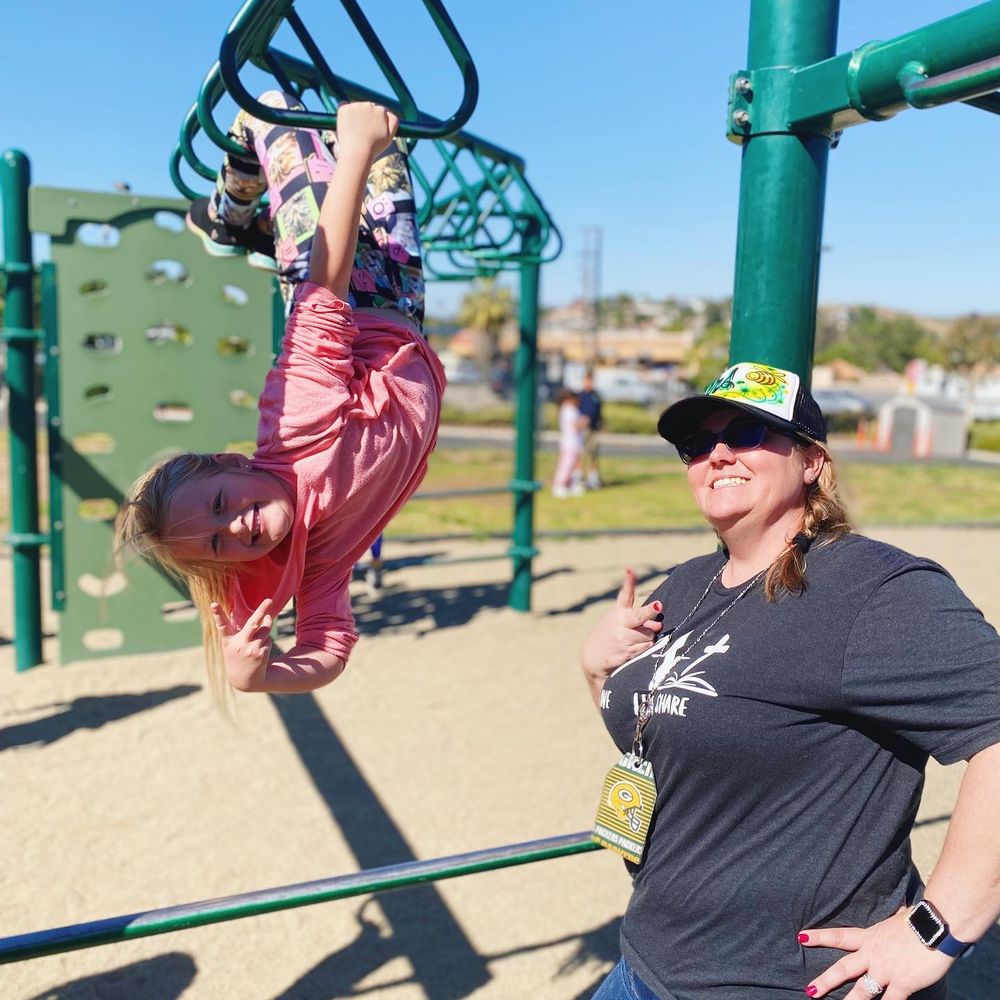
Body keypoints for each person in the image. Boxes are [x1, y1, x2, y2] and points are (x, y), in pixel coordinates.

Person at [581, 361, 1000, 1000]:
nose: (718, 454)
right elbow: (666, 739)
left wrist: (934, 931)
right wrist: (598, 670)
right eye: (698, 443)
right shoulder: (688, 583)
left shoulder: (873, 590)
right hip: (648, 964)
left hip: (787, 983)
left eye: (746, 433)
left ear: (812, 462)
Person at [116, 94, 445, 699]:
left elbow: (326, 285)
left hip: (343, 285)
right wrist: (264, 676)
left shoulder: (296, 426)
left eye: (219, 504)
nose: (235, 526)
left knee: (271, 109)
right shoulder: (316, 558)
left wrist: (352, 153)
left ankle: (230, 212)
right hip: (405, 309)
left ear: (233, 464)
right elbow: (329, 647)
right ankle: (260, 222)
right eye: (218, 543)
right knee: (388, 149)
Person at [553, 388, 586, 498]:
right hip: (570, 442)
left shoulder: (568, 409)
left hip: (573, 441)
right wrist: (583, 422)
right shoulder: (569, 409)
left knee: (572, 465)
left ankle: (569, 485)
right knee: (566, 465)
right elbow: (574, 426)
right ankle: (559, 485)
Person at [578, 369, 604, 489]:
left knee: (592, 454)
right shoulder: (580, 396)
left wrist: (602, 424)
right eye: (587, 380)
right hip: (582, 429)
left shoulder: (596, 396)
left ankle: (593, 479)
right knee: (580, 454)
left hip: (593, 429)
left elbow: (599, 412)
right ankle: (579, 478)